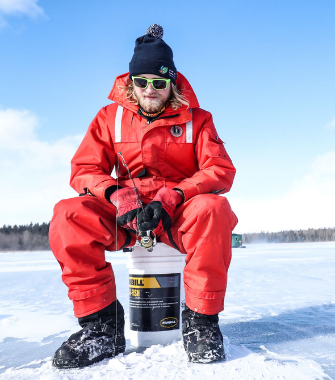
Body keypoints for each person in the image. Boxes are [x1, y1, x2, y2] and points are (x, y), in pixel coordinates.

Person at [49, 24, 237, 368]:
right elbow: (84, 169)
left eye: (159, 82)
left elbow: (220, 171)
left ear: (173, 82)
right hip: (127, 214)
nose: (150, 90)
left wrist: (175, 195)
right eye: (142, 81)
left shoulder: (199, 120)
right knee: (68, 215)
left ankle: (201, 322)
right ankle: (102, 328)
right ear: (131, 82)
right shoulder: (109, 119)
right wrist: (117, 196)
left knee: (214, 208)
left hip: (178, 213)